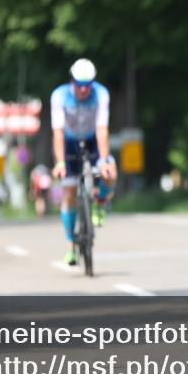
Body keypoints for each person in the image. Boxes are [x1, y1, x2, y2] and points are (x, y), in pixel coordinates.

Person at [51, 58, 118, 265]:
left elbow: (102, 129)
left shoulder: (101, 94)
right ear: (71, 81)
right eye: (79, 85)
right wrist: (61, 162)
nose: (83, 90)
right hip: (69, 142)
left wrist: (105, 160)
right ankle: (71, 245)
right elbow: (58, 133)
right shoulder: (60, 96)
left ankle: (100, 202)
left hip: (92, 141)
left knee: (110, 173)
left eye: (87, 85)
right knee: (69, 192)